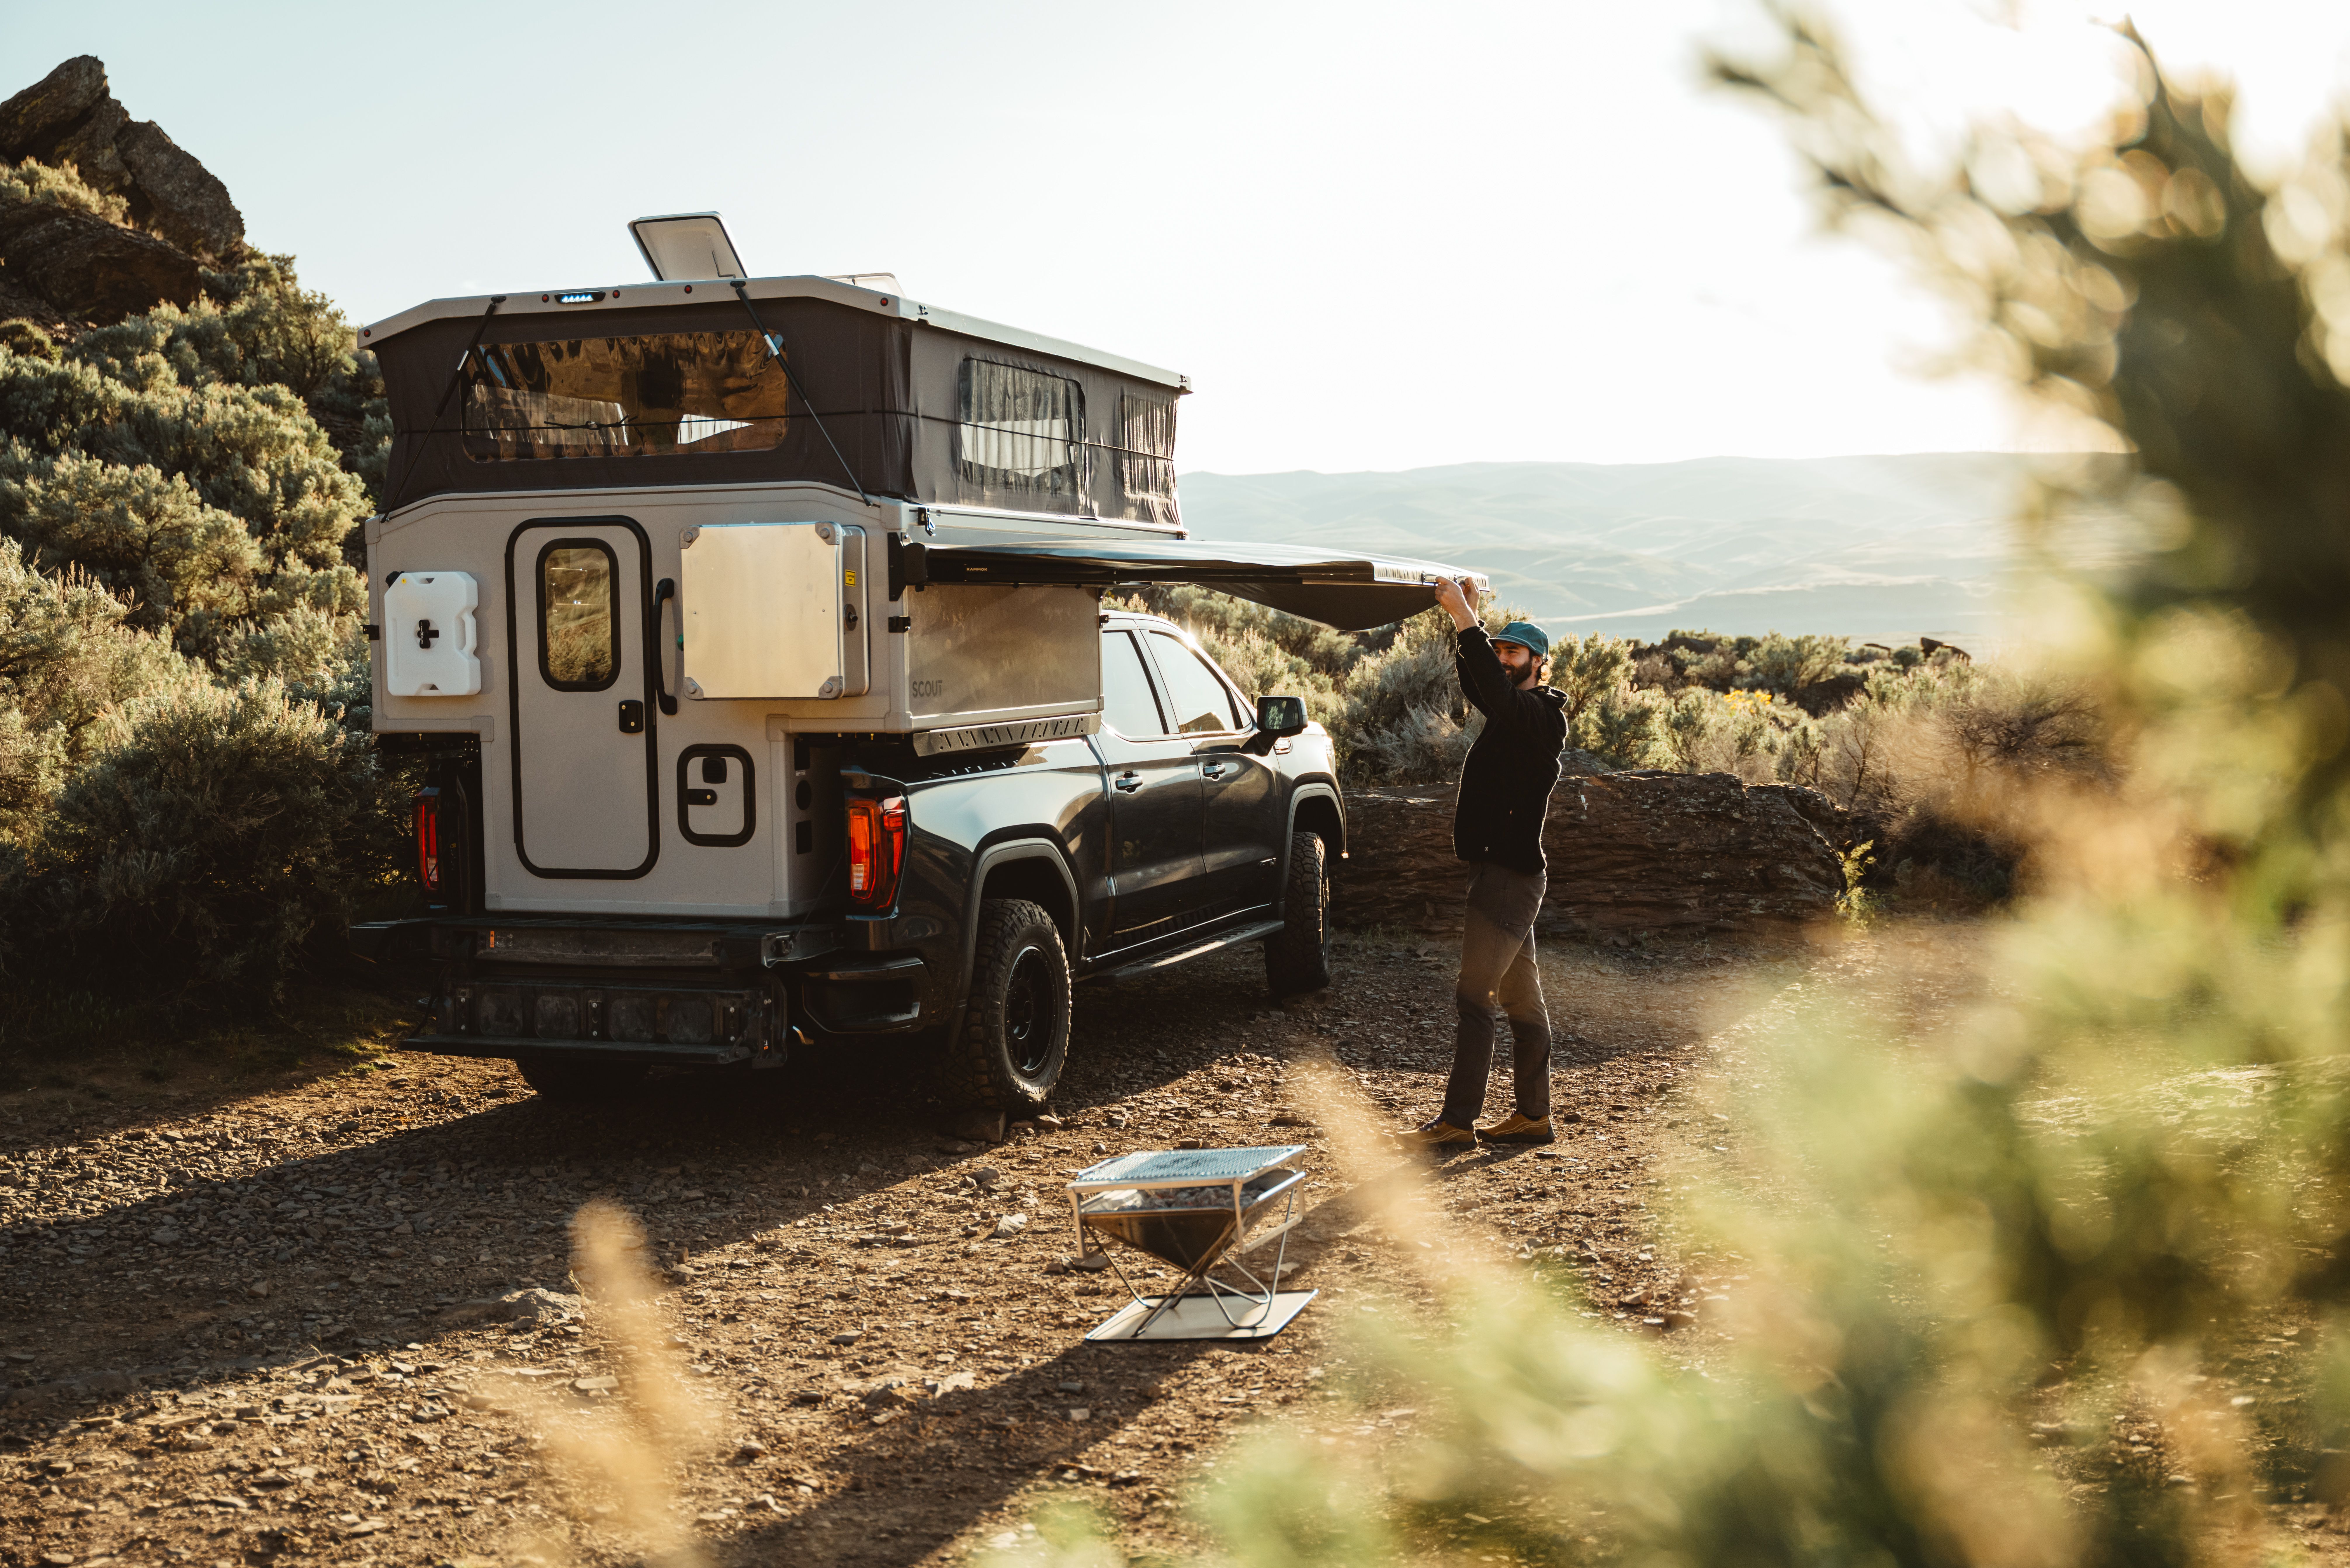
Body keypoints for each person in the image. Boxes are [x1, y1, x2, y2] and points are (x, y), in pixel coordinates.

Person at [1399, 577, 1568, 1148]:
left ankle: (1456, 1122)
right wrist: (1464, 620)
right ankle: (1533, 1116)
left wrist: (1468, 615)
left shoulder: (1541, 717)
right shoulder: (1513, 708)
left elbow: (1495, 693)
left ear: (1538, 663)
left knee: (1475, 999)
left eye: (1513, 652)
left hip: (1507, 878)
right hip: (1503, 873)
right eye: (1500, 649)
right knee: (1522, 996)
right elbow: (1481, 683)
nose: (1503, 659)